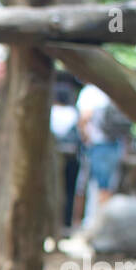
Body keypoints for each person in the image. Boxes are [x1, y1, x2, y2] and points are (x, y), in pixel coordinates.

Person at [76, 83, 129, 225]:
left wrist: (86, 137)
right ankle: (101, 223)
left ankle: (96, 224)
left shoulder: (90, 92)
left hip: (99, 145)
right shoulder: (114, 90)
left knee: (99, 186)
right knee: (108, 186)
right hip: (115, 144)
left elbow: (84, 117)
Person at [50, 84, 81, 232]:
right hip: (72, 157)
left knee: (52, 191)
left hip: (53, 158)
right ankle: (66, 223)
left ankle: (51, 224)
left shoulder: (51, 112)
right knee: (69, 191)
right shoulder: (73, 113)